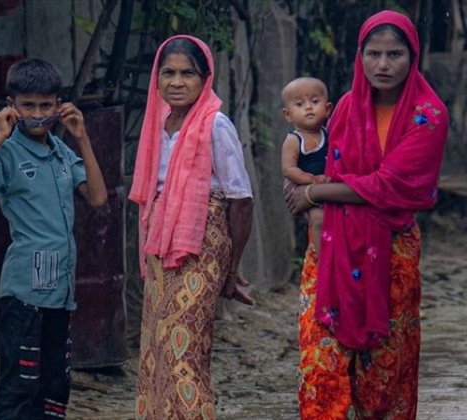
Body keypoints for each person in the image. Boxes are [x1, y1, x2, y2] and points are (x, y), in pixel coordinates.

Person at [285, 10, 448, 419]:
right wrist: (313, 202)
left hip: (392, 254)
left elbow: (390, 186)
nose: (383, 65)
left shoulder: (427, 115)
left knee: (383, 375)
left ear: (413, 56)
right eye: (373, 54)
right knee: (321, 363)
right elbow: (317, 170)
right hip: (331, 249)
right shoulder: (343, 110)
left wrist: (316, 194)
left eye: (394, 54)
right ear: (360, 57)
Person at [0, 58, 108, 419]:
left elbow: (97, 197)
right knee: (20, 384)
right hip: (24, 294)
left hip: (59, 293)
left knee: (54, 386)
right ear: (12, 107)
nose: (37, 114)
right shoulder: (6, 153)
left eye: (45, 105)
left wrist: (81, 137)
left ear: (58, 106)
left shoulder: (62, 152)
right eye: (28, 106)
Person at [128, 35, 255, 419]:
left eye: (188, 73)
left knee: (185, 351)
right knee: (156, 349)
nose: (177, 82)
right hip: (159, 244)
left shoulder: (215, 124)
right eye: (168, 73)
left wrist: (231, 269)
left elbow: (241, 199)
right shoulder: (158, 122)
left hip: (201, 242)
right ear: (157, 78)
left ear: (206, 78)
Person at [280, 77, 332, 254]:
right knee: (318, 220)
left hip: (330, 188)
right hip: (306, 189)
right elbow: (289, 169)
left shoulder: (329, 133)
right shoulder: (294, 140)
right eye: (300, 104)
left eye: (315, 101)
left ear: (327, 109)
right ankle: (321, 258)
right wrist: (310, 180)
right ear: (288, 115)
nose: (309, 107)